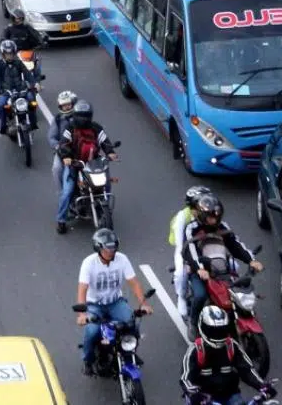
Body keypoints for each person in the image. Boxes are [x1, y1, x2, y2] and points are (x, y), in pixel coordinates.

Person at [76, 229, 152, 375]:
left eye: (113, 247)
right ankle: (88, 360)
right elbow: (82, 289)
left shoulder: (122, 259)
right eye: (107, 248)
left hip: (115, 303)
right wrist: (82, 314)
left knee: (132, 325)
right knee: (92, 331)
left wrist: (143, 304)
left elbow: (134, 283)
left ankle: (129, 351)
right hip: (94, 305)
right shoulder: (89, 263)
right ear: (98, 248)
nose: (111, 251)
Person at [183, 193, 262, 325]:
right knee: (200, 295)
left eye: (216, 217)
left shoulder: (223, 227)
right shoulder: (192, 228)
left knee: (238, 293)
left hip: (223, 269)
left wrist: (250, 260)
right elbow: (190, 251)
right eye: (210, 218)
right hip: (200, 270)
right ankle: (193, 322)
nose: (214, 220)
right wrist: (200, 269)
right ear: (202, 216)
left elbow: (235, 244)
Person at [180, 305, 273, 405]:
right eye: (213, 331)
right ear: (203, 327)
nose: (218, 334)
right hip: (204, 398)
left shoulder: (232, 346)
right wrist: (193, 394)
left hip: (230, 395)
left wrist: (262, 385)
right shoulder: (195, 350)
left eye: (221, 330)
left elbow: (247, 370)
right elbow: (185, 379)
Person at [56, 100, 118, 234]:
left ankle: (103, 202)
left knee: (106, 183)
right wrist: (67, 157)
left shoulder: (96, 127)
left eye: (86, 115)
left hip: (93, 163)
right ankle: (61, 220)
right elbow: (63, 144)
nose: (84, 119)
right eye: (81, 115)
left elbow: (104, 141)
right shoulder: (70, 128)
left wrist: (110, 152)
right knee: (67, 191)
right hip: (75, 163)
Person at [170, 186, 211, 318]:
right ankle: (181, 297)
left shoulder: (208, 213)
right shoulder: (182, 217)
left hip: (205, 246)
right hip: (185, 248)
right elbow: (180, 243)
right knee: (180, 273)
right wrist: (188, 262)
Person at [0, 39, 39, 134]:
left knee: (32, 101)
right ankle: (3, 127)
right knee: (1, 105)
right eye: (7, 53)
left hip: (20, 89)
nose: (9, 55)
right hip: (6, 91)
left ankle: (33, 123)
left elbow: (27, 74)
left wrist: (35, 84)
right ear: (3, 54)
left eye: (11, 53)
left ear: (14, 53)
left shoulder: (18, 62)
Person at [47, 90, 76, 192]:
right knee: (56, 169)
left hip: (80, 148)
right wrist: (58, 147)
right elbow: (51, 137)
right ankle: (62, 193)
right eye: (64, 105)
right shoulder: (58, 119)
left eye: (68, 104)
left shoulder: (80, 116)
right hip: (63, 150)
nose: (67, 107)